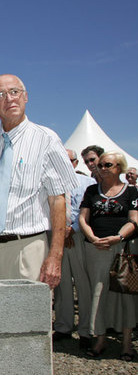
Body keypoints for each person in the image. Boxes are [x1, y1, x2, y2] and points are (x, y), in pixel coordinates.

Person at [0, 74, 77, 289]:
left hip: (27, 248)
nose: (9, 99)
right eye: (0, 95)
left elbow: (58, 200)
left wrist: (55, 257)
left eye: (15, 92)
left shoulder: (47, 139)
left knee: (27, 321)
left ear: (26, 97)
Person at [79, 152, 137, 360]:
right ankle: (100, 338)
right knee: (98, 293)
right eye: (100, 164)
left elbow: (134, 220)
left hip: (121, 249)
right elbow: (83, 217)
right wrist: (93, 238)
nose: (102, 168)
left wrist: (118, 237)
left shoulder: (131, 191)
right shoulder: (92, 190)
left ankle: (127, 344)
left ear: (119, 168)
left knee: (125, 295)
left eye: (108, 165)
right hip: (95, 248)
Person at [52, 149, 96, 350]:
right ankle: (63, 326)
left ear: (75, 163)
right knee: (60, 284)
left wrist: (73, 229)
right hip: (57, 236)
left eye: (68, 160)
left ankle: (87, 330)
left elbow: (89, 210)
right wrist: (61, 231)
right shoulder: (50, 182)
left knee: (83, 284)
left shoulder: (87, 184)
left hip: (78, 236)